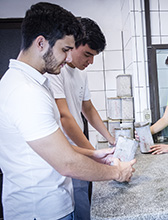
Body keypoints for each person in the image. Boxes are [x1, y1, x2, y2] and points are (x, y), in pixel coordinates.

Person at [0, 3, 136, 220]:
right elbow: (66, 162)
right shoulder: (25, 92)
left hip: (48, 204)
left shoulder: (31, 83)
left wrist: (94, 154)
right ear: (41, 43)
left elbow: (52, 146)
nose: (68, 57)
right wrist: (117, 172)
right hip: (41, 211)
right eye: (64, 49)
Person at [45, 17, 114, 220]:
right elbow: (65, 117)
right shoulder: (56, 71)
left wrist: (111, 139)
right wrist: (93, 153)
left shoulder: (81, 74)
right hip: (63, 152)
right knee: (72, 208)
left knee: (84, 206)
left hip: (80, 150)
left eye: (93, 56)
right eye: (87, 54)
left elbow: (88, 109)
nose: (90, 62)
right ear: (73, 44)